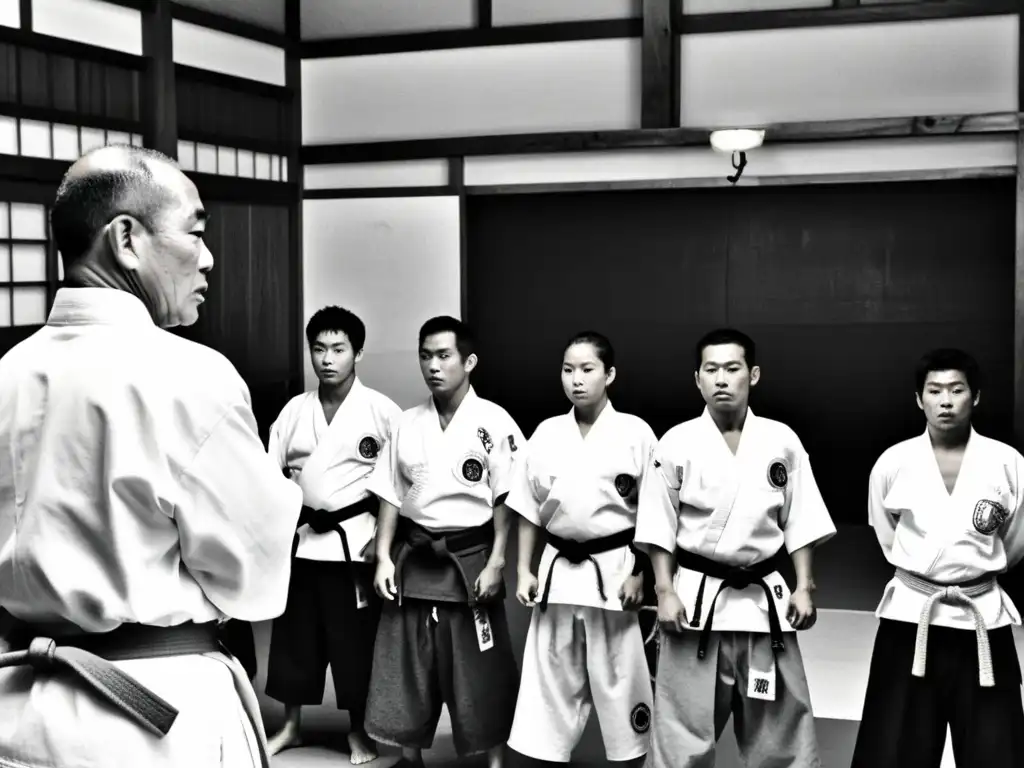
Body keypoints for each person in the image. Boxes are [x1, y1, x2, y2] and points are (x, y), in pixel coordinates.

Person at [0, 145, 302, 767]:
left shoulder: (8, 373)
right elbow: (253, 576)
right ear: (127, 240)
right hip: (157, 709)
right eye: (195, 233)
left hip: (17, 704)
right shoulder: (191, 375)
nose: (209, 258)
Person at [635, 327, 836, 768]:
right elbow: (657, 525)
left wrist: (805, 586)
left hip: (764, 604)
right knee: (680, 727)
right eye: (711, 369)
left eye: (732, 368)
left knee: (780, 729)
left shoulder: (781, 440)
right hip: (695, 604)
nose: (721, 378)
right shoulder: (676, 442)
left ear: (754, 374)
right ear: (697, 380)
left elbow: (800, 519)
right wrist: (664, 591)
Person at [850, 348, 1024, 768]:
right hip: (912, 616)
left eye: (957, 390)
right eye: (935, 390)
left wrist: (975, 575)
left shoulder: (1007, 462)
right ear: (919, 398)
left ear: (976, 396)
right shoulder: (893, 462)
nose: (946, 400)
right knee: (893, 748)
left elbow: (1015, 541)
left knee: (996, 749)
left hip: (982, 616)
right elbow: (885, 533)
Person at [363, 316, 524, 768]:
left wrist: (497, 563)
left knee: (479, 665)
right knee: (406, 663)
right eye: (425, 355)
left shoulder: (494, 421)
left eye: (443, 356)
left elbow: (506, 500)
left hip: (468, 558)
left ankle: (493, 756)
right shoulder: (408, 423)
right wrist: (382, 558)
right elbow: (391, 495)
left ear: (469, 361)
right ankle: (410, 755)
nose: (432, 366)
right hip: (414, 557)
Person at [506, 331, 655, 765]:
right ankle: (544, 756)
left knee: (621, 677)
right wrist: (523, 569)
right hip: (557, 573)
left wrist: (641, 571)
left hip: (614, 570)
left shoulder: (636, 433)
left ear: (609, 374)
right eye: (568, 369)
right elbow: (527, 508)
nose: (576, 379)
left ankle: (630, 756)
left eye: (587, 369)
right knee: (548, 677)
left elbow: (654, 513)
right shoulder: (547, 433)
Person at [264, 305, 401, 763]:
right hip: (303, 540)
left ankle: (359, 731)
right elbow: (271, 474)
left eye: (338, 349)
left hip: (354, 542)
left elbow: (399, 485)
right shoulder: (293, 411)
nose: (327, 359)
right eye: (319, 349)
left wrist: (383, 543)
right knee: (295, 640)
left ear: (357, 353)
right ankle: (291, 725)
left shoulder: (381, 411)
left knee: (354, 644)